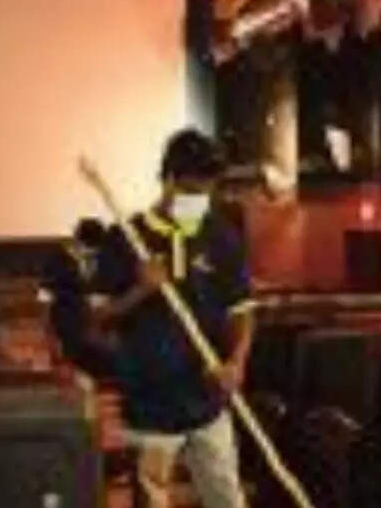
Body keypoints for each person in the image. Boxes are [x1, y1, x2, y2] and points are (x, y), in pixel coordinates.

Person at [93, 128, 255, 508]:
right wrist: (140, 290)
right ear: (167, 180)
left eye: (207, 192)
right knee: (153, 500)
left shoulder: (221, 235)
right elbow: (97, 317)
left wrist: (237, 362)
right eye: (191, 192)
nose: (200, 202)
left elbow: (242, 309)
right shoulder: (124, 238)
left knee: (227, 498)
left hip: (208, 402)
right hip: (150, 408)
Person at [39, 217, 116, 380]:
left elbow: (103, 296)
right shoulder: (57, 260)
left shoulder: (105, 259)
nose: (90, 253)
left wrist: (100, 326)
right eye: (86, 249)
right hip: (68, 324)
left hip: (96, 326)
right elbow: (45, 298)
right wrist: (49, 335)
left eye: (94, 251)